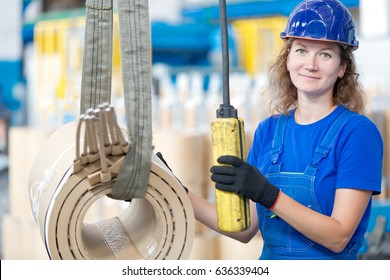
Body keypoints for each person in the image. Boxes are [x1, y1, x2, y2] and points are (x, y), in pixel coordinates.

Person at [161, 0, 383, 260]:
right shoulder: (270, 130)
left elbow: (338, 236)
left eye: (325, 54)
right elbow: (244, 229)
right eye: (301, 50)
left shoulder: (357, 133)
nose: (310, 64)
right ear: (288, 59)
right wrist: (174, 190)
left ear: (342, 67)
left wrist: (268, 194)